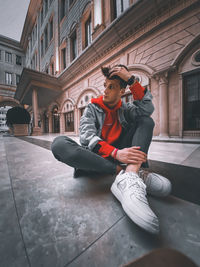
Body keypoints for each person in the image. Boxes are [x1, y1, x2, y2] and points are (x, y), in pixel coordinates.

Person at [51, 64, 171, 234]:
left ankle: (131, 174)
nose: (105, 91)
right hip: (97, 160)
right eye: (105, 86)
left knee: (145, 120)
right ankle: (124, 173)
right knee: (58, 144)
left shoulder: (126, 109)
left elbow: (147, 110)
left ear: (122, 91)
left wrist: (131, 80)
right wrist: (116, 153)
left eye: (112, 87)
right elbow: (86, 137)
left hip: (121, 157)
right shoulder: (92, 108)